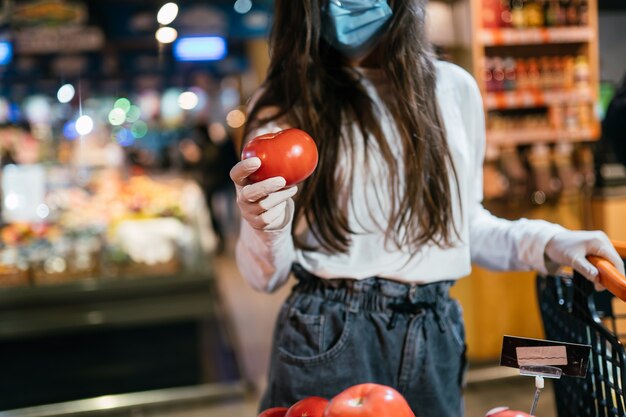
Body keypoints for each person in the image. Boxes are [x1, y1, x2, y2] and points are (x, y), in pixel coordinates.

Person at [229, 1, 625, 416]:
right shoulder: (283, 106)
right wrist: (265, 227)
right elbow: (265, 278)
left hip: (433, 332)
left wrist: (552, 241)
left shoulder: (454, 89)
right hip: (329, 332)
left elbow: (465, 228)